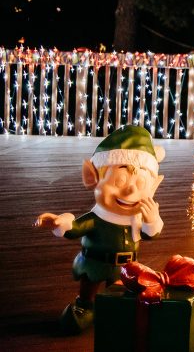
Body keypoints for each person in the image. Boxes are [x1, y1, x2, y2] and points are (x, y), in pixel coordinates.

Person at [35, 125, 164, 334]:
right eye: (119, 181)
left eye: (140, 184)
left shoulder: (137, 218)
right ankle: (84, 307)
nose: (130, 190)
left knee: (119, 294)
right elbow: (75, 227)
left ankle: (117, 313)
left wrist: (152, 220)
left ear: (153, 186)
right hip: (94, 263)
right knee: (89, 289)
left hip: (125, 267)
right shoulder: (96, 218)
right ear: (93, 179)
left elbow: (152, 234)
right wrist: (60, 223)